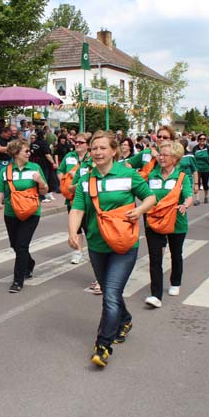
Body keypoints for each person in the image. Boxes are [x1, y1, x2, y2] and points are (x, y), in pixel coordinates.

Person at [68, 131, 156, 368]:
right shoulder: (86, 180)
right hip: (97, 244)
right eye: (94, 148)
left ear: (114, 151)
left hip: (123, 244)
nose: (97, 152)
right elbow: (77, 208)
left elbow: (150, 197)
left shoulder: (128, 174)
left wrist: (139, 210)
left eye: (103, 148)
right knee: (111, 292)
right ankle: (124, 319)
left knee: (110, 293)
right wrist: (73, 232)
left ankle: (103, 345)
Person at [0, 138, 48, 293]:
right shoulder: (6, 171)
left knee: (22, 245)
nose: (29, 153)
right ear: (16, 153)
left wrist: (40, 181)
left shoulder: (35, 168)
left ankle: (17, 280)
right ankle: (29, 263)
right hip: (11, 213)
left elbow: (44, 190)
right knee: (15, 245)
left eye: (29, 151)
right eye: (26, 151)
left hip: (31, 212)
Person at [144, 141, 193, 308]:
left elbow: (188, 195)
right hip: (154, 221)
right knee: (155, 257)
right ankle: (155, 295)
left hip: (176, 221)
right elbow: (143, 193)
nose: (161, 158)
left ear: (175, 158)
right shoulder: (151, 175)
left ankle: (175, 282)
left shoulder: (182, 177)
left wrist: (185, 205)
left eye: (165, 155)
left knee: (176, 254)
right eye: (160, 154)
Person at [57, 132, 92, 265]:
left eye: (81, 142)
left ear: (88, 145)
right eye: (76, 142)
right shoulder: (69, 156)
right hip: (72, 197)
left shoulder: (92, 158)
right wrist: (64, 181)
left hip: (88, 197)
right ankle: (78, 252)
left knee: (89, 227)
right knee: (76, 226)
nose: (77, 144)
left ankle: (94, 252)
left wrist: (76, 174)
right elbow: (60, 171)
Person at [29, 129, 57, 202]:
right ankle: (41, 196)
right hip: (43, 163)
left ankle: (46, 194)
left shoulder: (33, 143)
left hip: (34, 162)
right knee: (43, 178)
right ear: (43, 135)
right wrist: (53, 163)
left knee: (36, 178)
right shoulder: (44, 143)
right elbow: (47, 154)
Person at [193, 133, 209, 205]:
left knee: (205, 184)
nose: (202, 140)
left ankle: (206, 196)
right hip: (197, 169)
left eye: (204, 139)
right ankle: (197, 199)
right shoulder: (195, 148)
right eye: (201, 139)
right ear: (198, 140)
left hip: (206, 168)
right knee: (197, 183)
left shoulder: (207, 147)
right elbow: (193, 158)